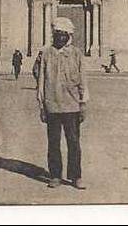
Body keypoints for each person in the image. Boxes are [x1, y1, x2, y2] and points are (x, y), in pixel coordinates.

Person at [37, 17, 88, 189]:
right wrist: (42, 105)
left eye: (63, 35)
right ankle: (55, 175)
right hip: (52, 105)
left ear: (69, 36)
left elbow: (82, 80)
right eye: (57, 34)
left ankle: (75, 176)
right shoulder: (46, 54)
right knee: (53, 142)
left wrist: (83, 104)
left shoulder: (76, 54)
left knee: (73, 142)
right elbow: (41, 81)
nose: (60, 38)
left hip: (72, 105)